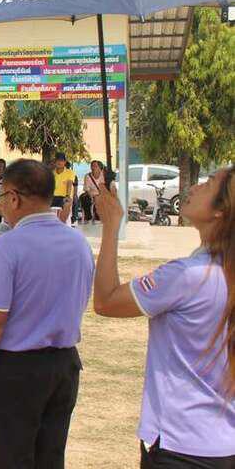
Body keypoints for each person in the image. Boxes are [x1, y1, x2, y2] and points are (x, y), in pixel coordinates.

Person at [91, 166, 235, 467]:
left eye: (208, 184)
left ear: (220, 210)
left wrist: (111, 226)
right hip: (223, 443)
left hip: (179, 445)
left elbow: (106, 301)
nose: (194, 187)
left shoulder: (187, 276)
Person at [0, 159, 94, 467]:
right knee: (49, 458)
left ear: (14, 198)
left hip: (16, 370)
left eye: (1, 196)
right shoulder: (79, 242)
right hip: (63, 366)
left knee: (6, 459)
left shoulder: (8, 245)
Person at [52, 152, 75, 224]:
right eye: (57, 160)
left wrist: (67, 195)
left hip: (64, 197)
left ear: (65, 162)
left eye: (61, 160)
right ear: (55, 162)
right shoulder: (51, 173)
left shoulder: (70, 172)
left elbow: (69, 183)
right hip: (53, 197)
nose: (59, 162)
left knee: (67, 202)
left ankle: (62, 224)